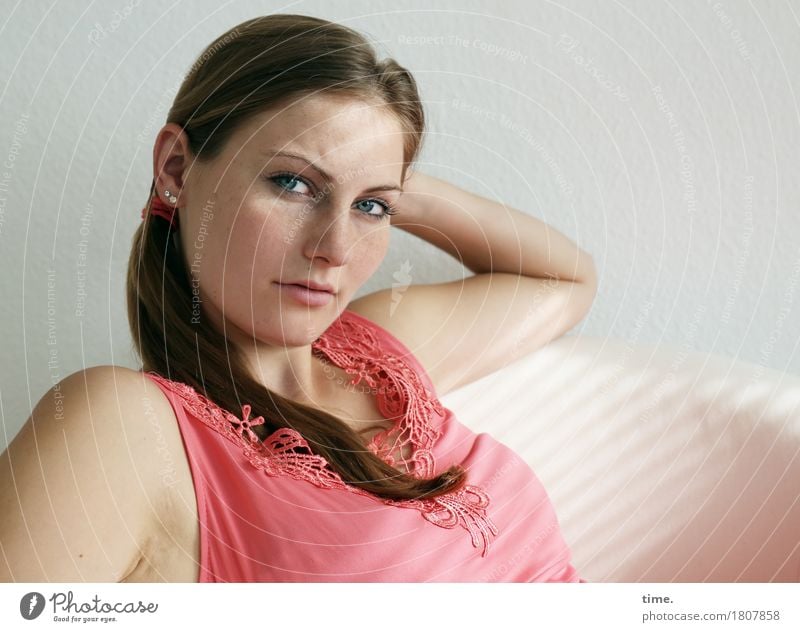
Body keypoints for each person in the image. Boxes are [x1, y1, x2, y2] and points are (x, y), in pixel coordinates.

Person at [0, 14, 598, 582]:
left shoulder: (377, 352)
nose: (336, 249)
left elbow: (564, 280)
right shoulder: (121, 426)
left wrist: (378, 170)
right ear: (177, 169)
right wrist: (361, 178)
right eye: (291, 182)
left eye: (370, 208)